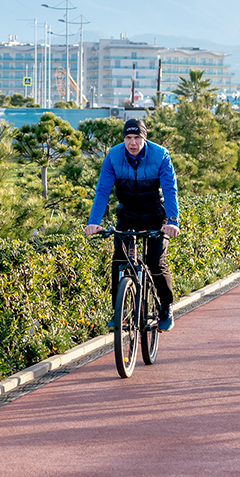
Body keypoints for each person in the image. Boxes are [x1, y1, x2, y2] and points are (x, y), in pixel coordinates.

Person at [85, 118, 181, 331]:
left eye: (137, 137)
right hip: (128, 214)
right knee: (120, 259)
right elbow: (102, 191)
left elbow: (169, 190)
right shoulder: (113, 156)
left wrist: (173, 221)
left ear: (144, 138)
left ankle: (166, 307)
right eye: (128, 138)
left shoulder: (160, 155)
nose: (133, 143)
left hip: (155, 215)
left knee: (155, 262)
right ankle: (118, 312)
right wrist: (93, 222)